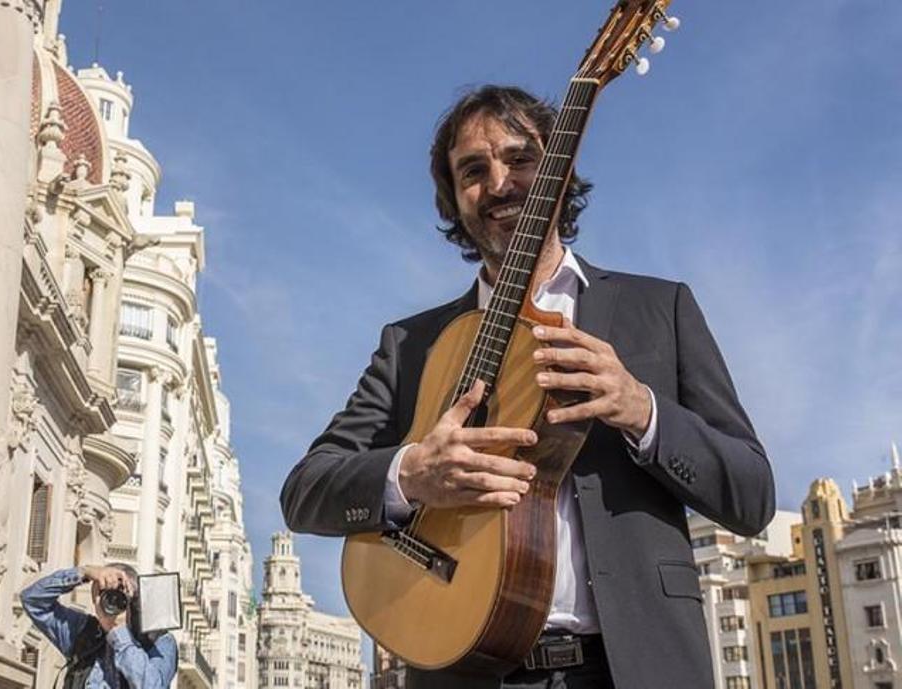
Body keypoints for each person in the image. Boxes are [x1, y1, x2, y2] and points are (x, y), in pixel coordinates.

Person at [279, 85, 775, 689]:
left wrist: (640, 408)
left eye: (520, 159)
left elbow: (752, 496)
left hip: (636, 668)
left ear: (559, 170)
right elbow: (305, 491)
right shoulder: (410, 344)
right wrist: (411, 474)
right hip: (465, 670)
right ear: (453, 198)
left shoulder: (659, 309)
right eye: (473, 171)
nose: (499, 183)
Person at [20, 563, 178, 689]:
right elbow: (32, 600)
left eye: (122, 592)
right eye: (106, 594)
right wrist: (84, 572)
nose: (114, 600)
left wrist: (119, 633)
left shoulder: (157, 640)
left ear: (136, 598)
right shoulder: (84, 631)